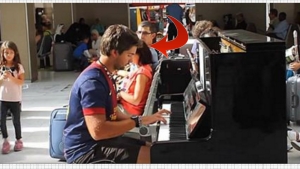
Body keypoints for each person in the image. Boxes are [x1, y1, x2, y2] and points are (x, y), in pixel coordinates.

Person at [63, 24, 170, 164]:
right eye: (129, 55)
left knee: (151, 149)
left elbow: (113, 112)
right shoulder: (93, 82)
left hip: (99, 142)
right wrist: (134, 122)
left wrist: (142, 120)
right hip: (85, 150)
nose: (131, 60)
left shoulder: (105, 73)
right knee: (150, 156)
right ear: (115, 52)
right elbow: (98, 131)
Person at [0, 41, 25, 154]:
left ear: (15, 53)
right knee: (2, 120)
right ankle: (5, 140)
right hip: (3, 98)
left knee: (16, 121)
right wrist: (2, 78)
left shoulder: (18, 67)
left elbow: (21, 82)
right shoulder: (1, 67)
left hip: (15, 98)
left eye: (11, 52)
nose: (8, 55)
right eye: (6, 52)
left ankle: (18, 139)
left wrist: (11, 77)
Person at [117, 41, 153, 116]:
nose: (130, 59)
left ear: (140, 55)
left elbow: (136, 100)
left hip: (129, 110)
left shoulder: (142, 73)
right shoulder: (143, 69)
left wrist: (120, 93)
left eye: (132, 55)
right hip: (126, 106)